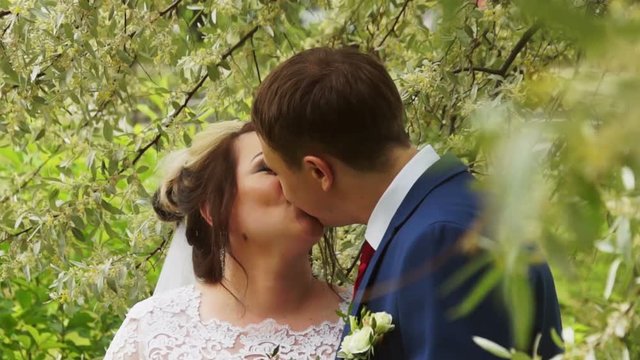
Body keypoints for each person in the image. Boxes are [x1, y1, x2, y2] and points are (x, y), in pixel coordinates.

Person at [251, 47, 563, 359]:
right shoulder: (438, 216)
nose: (282, 191)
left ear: (318, 171)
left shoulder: (441, 239)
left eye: (275, 171)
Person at [104, 120, 349, 359]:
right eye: (268, 168)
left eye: (302, 166)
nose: (297, 179)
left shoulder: (367, 314)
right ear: (213, 208)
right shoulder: (151, 330)